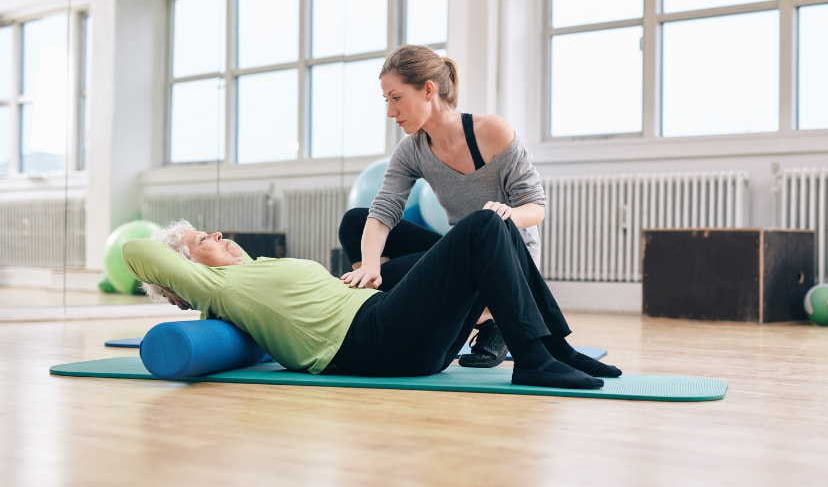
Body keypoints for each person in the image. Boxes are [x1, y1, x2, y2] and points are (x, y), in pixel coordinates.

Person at [123, 211, 622, 390]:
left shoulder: (255, 271)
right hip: (372, 340)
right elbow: (135, 249)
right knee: (482, 226)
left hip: (381, 324)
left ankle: (554, 347)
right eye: (202, 241)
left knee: (499, 227)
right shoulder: (219, 289)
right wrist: (183, 262)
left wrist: (353, 280)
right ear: (188, 273)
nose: (217, 233)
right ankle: (533, 359)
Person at [339, 44, 547, 368]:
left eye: (396, 97)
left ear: (428, 90)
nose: (390, 112)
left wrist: (509, 215)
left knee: (399, 276)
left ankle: (492, 315)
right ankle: (410, 316)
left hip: (506, 262)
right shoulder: (412, 150)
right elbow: (384, 210)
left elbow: (536, 207)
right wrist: (369, 267)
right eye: (386, 101)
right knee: (355, 221)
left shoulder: (491, 132)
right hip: (462, 254)